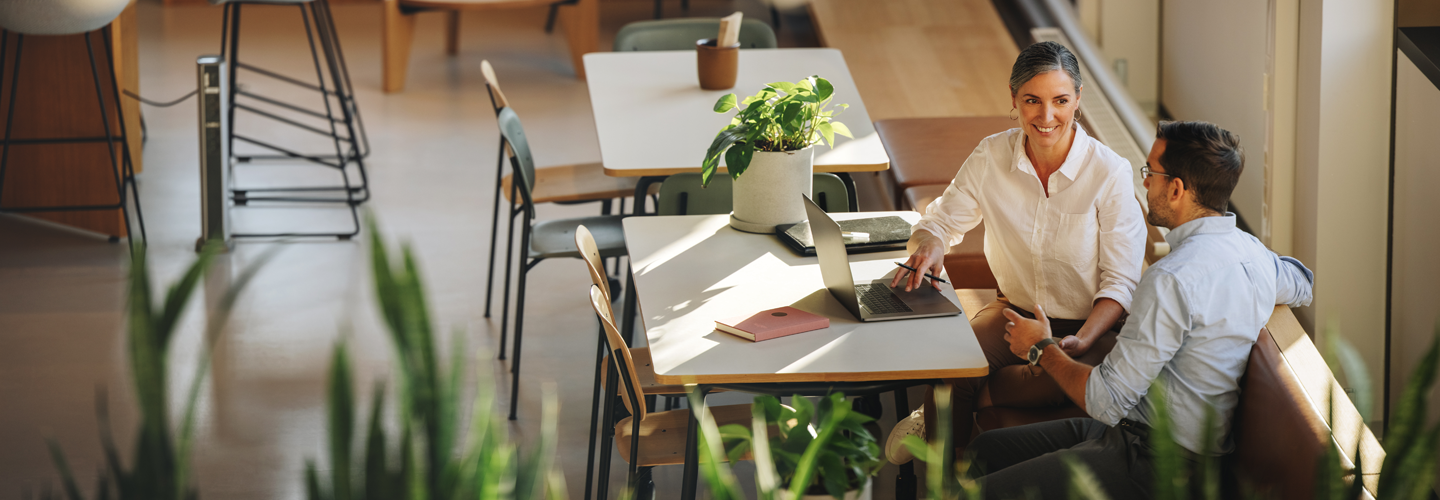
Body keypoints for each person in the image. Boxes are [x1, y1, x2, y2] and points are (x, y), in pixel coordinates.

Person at [965, 121, 1315, 499]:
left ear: (1177, 188)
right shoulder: (1253, 254)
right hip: (1140, 435)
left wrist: (1041, 348)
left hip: (1155, 464)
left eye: (1151, 173)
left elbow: (1104, 400)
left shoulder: (1170, 280)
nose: (1145, 183)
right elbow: (1302, 282)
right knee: (986, 451)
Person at [885, 41, 1147, 462]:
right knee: (951, 365)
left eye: (1061, 101)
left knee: (1045, 380)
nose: (1047, 117)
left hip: (1090, 327)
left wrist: (1077, 342)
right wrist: (931, 245)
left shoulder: (1109, 172)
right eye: (1032, 101)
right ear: (1014, 100)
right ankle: (945, 483)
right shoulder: (991, 155)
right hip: (1013, 314)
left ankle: (966, 405)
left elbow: (1121, 283)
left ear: (1078, 100)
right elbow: (939, 222)